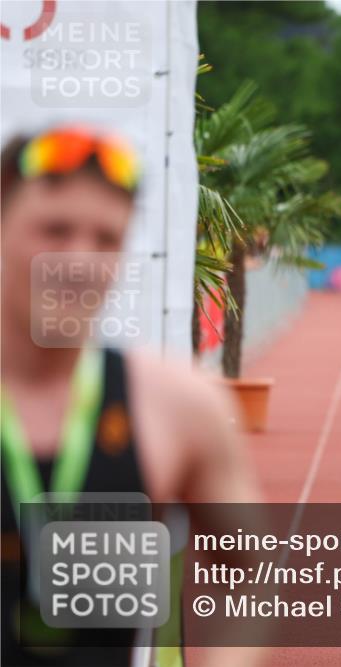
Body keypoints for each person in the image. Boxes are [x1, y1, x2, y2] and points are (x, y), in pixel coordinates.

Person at [0, 126, 266, 666]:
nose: (78, 263)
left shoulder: (178, 408)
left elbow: (252, 578)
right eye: (54, 230)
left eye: (106, 239)